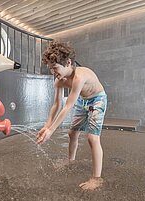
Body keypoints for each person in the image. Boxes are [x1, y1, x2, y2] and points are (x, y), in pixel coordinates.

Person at [36, 41, 107, 190]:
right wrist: (47, 126)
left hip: (97, 99)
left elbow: (68, 106)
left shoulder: (79, 77)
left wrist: (51, 131)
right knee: (72, 133)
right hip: (83, 100)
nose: (53, 72)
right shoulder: (59, 81)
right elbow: (57, 104)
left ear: (68, 62)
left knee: (92, 138)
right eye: (51, 68)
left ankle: (96, 178)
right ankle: (71, 161)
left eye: (55, 68)